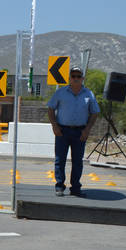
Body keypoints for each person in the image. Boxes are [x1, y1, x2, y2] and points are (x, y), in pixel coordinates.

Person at [46, 65, 99, 197]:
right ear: (69, 78)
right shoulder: (61, 92)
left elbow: (95, 112)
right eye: (73, 76)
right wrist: (54, 126)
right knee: (60, 160)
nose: (76, 78)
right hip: (62, 131)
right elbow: (51, 108)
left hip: (80, 132)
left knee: (77, 161)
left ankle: (75, 188)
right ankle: (59, 186)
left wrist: (87, 129)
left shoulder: (89, 94)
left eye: (78, 76)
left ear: (82, 78)